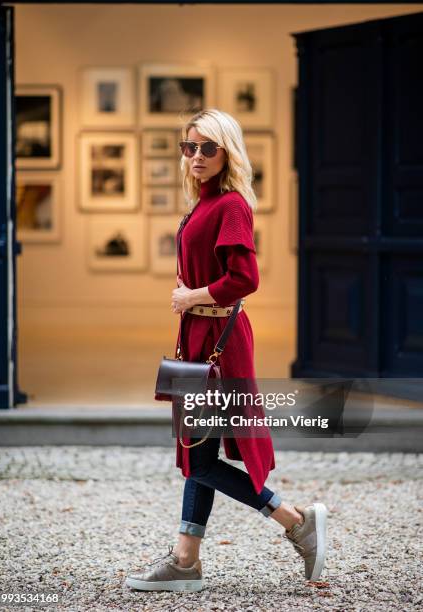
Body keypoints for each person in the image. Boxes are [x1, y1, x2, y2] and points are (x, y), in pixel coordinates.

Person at [126, 109, 327, 593]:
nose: (196, 156)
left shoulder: (231, 205)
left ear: (227, 152)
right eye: (189, 146)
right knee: (198, 449)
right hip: (197, 340)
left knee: (198, 459)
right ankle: (185, 561)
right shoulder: (203, 201)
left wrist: (191, 296)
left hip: (218, 342)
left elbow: (245, 279)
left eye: (207, 148)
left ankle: (294, 520)